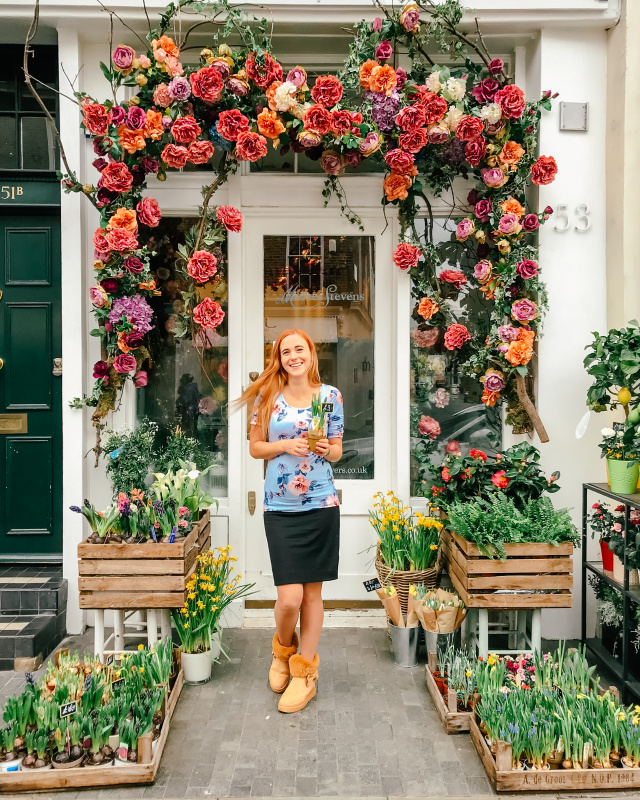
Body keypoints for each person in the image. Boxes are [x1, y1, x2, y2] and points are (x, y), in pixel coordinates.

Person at [237, 329, 343, 713]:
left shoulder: (328, 398)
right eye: (286, 351)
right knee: (289, 599)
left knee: (312, 595)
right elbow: (254, 448)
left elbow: (336, 451)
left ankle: (304, 674)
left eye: (300, 349)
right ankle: (282, 651)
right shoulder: (268, 397)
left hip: (320, 504)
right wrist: (284, 445)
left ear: (311, 353)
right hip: (280, 507)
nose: (293, 356)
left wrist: (324, 448)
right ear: (279, 358)